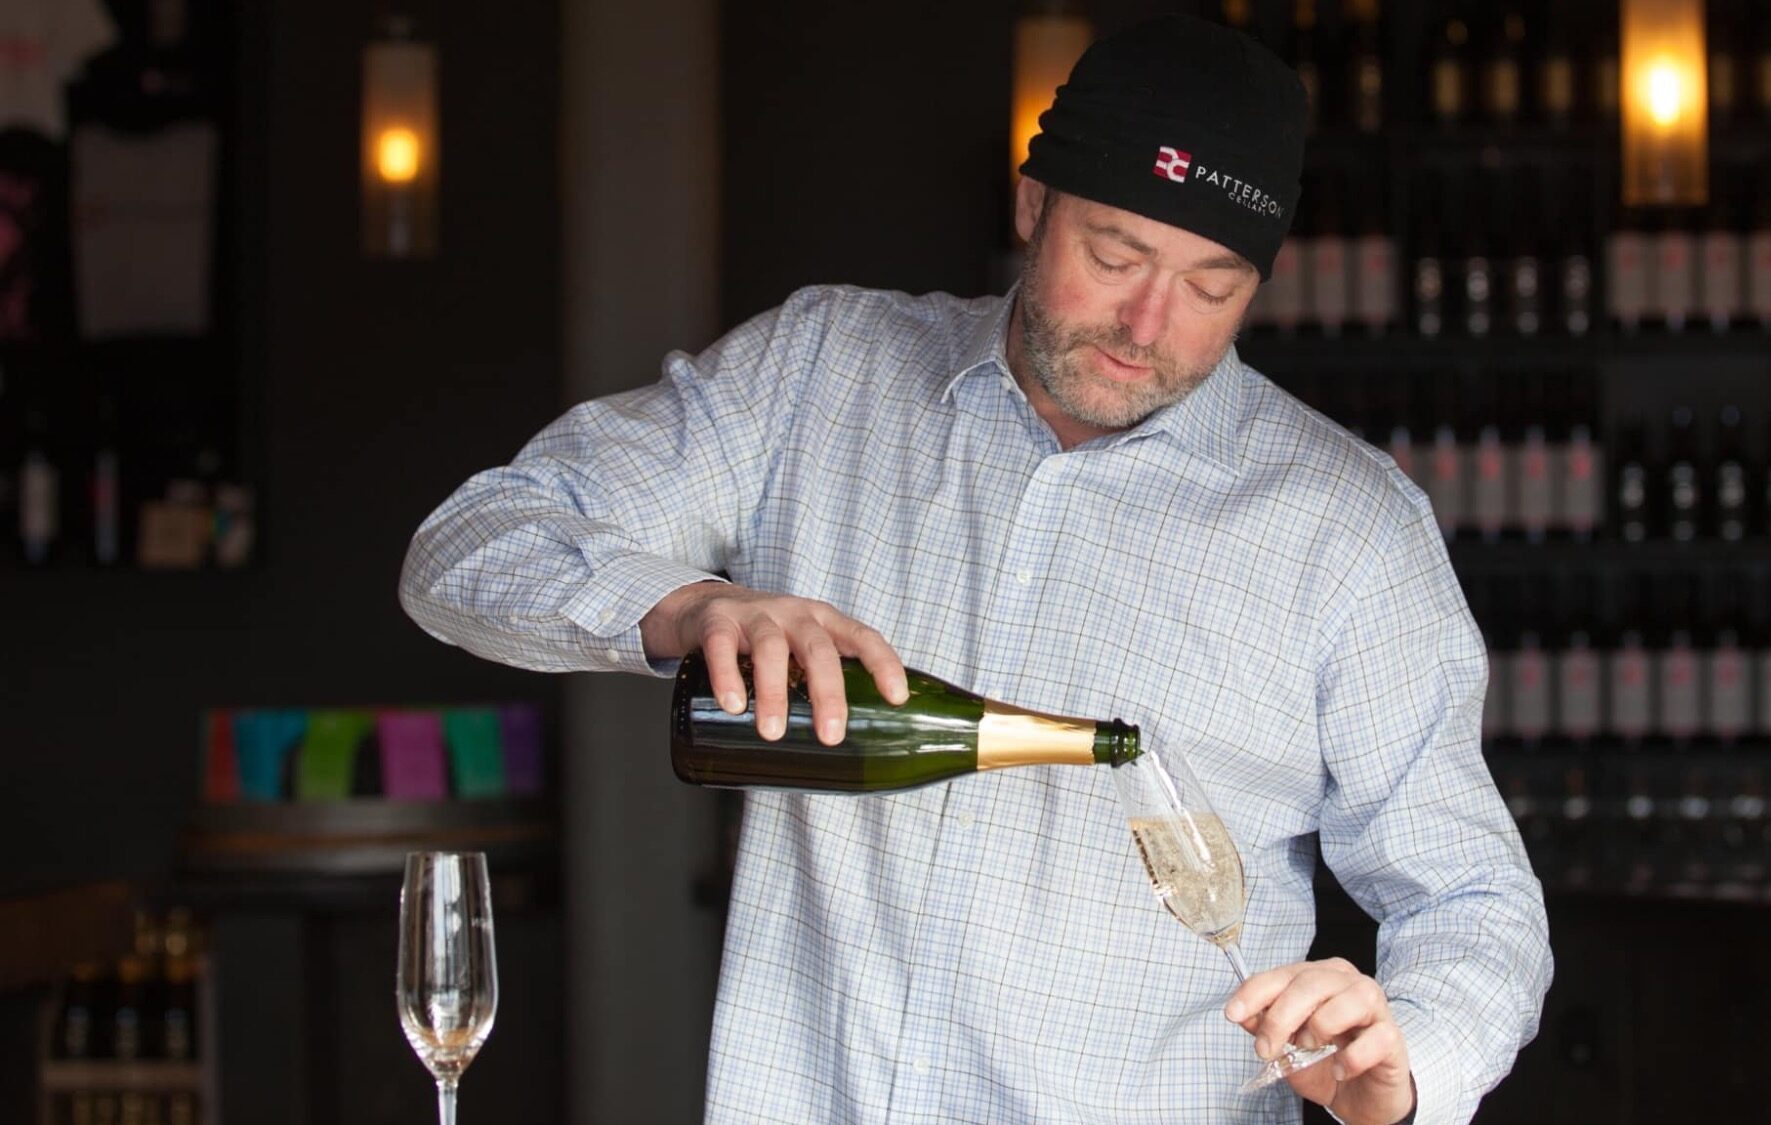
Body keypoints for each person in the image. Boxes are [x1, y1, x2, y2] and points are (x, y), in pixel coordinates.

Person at [401, 14, 1551, 1124]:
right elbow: (470, 544)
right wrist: (686, 606)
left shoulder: (1348, 532)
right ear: (1031, 204)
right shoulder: (818, 372)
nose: (1148, 321)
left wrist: (1406, 1060)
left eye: (1211, 287)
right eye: (1114, 253)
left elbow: (1472, 898)